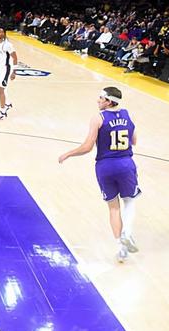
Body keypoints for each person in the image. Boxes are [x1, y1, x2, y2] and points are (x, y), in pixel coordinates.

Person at [58, 87, 140, 262]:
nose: (98, 100)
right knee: (129, 201)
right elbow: (134, 141)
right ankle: (127, 234)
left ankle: (121, 248)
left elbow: (87, 147)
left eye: (101, 98)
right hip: (125, 164)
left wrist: (68, 154)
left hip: (105, 167)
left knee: (113, 208)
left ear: (109, 101)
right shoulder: (127, 114)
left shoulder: (98, 118)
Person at [0, 27, 17, 120]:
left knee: (0, 90)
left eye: (0, 32)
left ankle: (2, 112)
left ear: (4, 34)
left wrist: (14, 72)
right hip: (0, 69)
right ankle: (7, 103)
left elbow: (15, 58)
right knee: (1, 88)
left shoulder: (8, 45)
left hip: (6, 69)